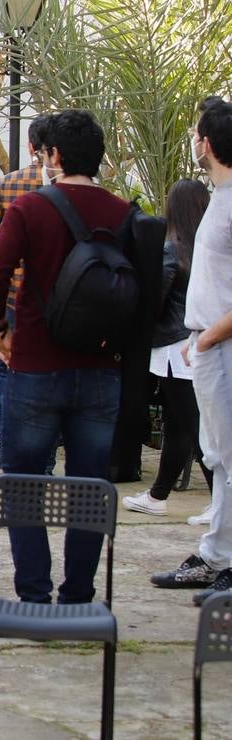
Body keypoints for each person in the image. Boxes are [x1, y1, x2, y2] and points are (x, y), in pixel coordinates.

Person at [0, 108, 131, 605]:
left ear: (55, 155)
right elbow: (144, 292)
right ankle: (80, 594)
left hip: (36, 364)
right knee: (89, 487)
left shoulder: (32, 208)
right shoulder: (123, 212)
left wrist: (0, 329)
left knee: (24, 481)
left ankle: (33, 591)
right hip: (101, 368)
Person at [151, 98, 232, 603]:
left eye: (196, 132)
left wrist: (207, 336)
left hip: (219, 345)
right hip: (205, 344)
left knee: (228, 455)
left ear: (208, 141)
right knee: (218, 457)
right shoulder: (217, 197)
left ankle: (224, 561)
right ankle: (216, 555)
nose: (193, 140)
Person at [0, 113, 57, 472]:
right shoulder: (81, 190)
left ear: (32, 147)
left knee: (8, 374)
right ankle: (45, 459)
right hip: (63, 300)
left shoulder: (10, 184)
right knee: (52, 376)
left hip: (15, 295)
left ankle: (7, 451)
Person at [123, 179, 212, 517]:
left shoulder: (171, 249)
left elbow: (154, 300)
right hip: (195, 340)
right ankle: (158, 496)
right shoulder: (203, 247)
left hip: (176, 347)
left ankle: (221, 502)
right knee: (179, 423)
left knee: (191, 423)